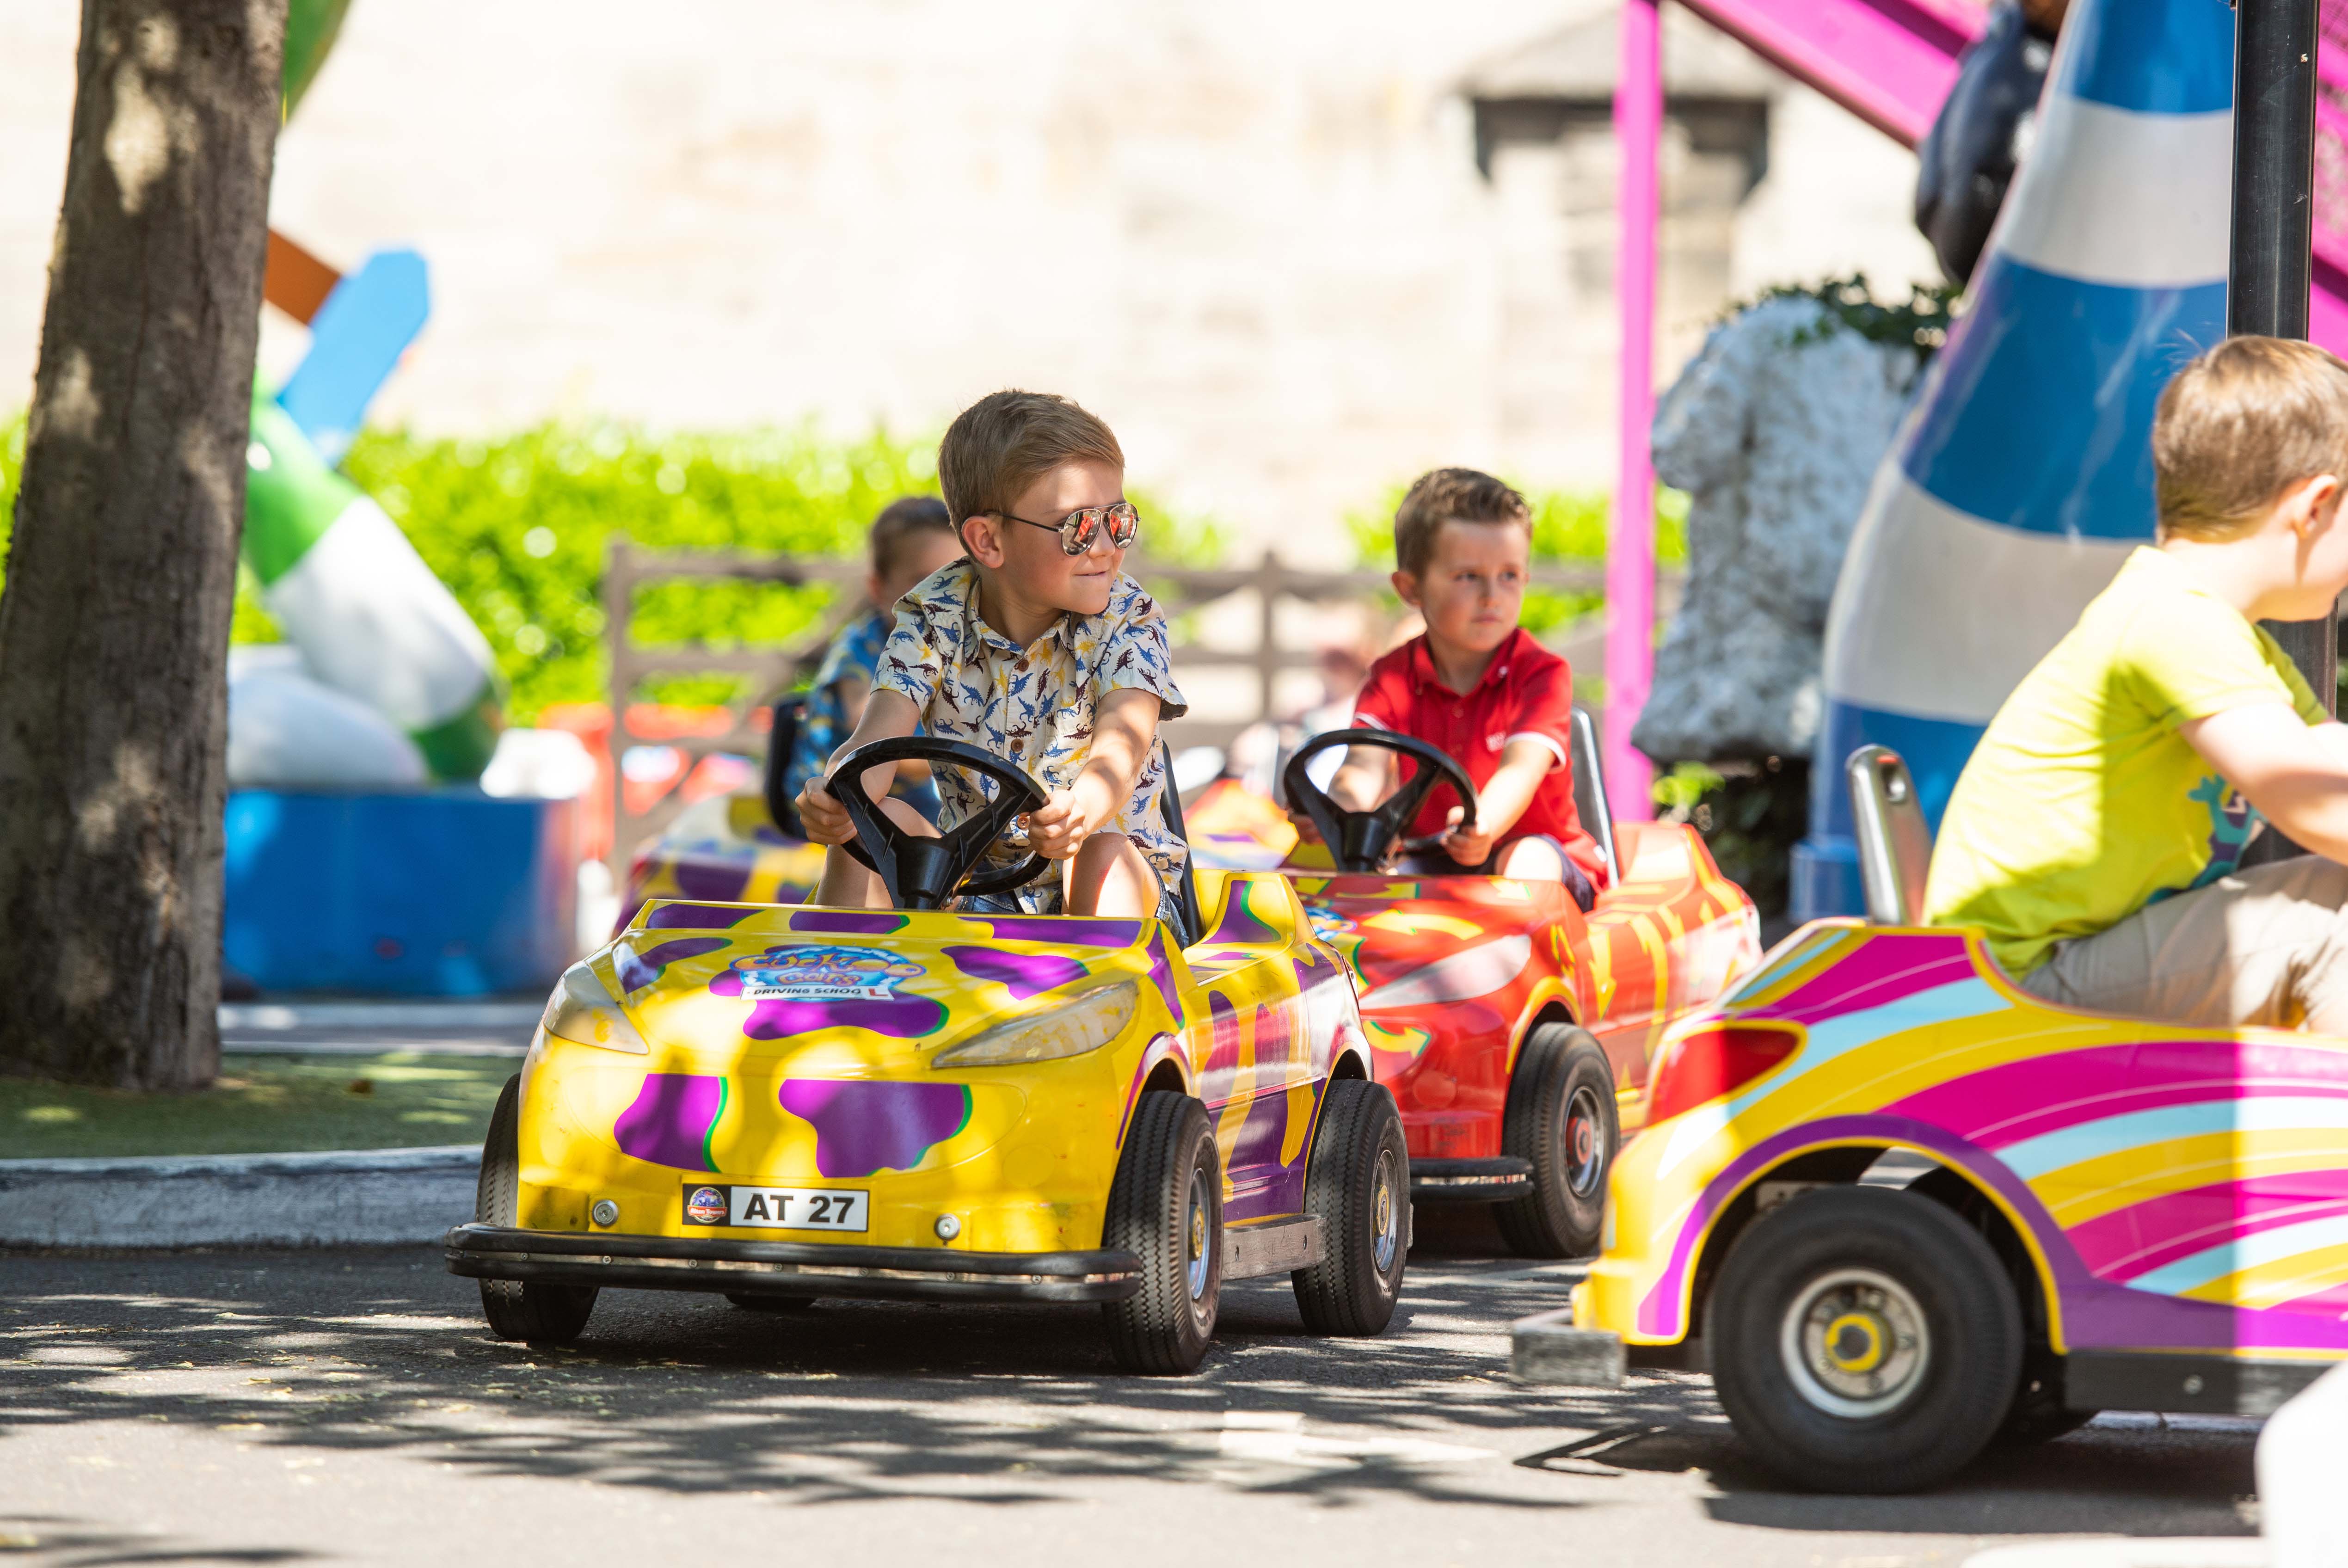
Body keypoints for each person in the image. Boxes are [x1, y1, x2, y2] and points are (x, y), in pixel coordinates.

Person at [1924, 335, 2348, 1032]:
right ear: (2314, 506)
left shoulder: (2213, 628)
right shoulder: (2172, 623)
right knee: (2330, 918)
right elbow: (2311, 800)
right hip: (2017, 988)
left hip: (2050, 966)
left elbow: (2324, 755)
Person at [793, 390, 1190, 919]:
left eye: (1117, 519)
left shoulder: (1129, 619)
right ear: (988, 541)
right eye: (1078, 527)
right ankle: (841, 984)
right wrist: (836, 798)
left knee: (1098, 853)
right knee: (871, 824)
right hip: (977, 889)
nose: (1104, 546)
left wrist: (1084, 807)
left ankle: (1108, 996)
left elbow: (1122, 745)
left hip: (1124, 895)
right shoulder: (934, 617)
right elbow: (876, 738)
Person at [1293, 467, 1608, 911]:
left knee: (1527, 861)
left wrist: (1483, 824)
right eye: (1467, 576)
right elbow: (1363, 767)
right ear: (1411, 588)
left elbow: (1521, 769)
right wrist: (1335, 812)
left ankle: (1518, 969)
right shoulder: (1392, 677)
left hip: (1529, 851)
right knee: (1322, 864)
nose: (1491, 596)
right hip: (1430, 858)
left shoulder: (1542, 674)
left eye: (1509, 575)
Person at [779, 495, 965, 825]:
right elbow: (873, 739)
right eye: (924, 583)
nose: (942, 601)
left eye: (956, 583)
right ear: (879, 589)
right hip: (829, 807)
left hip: (912, 802)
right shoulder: (859, 649)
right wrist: (961, 762)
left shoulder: (956, 648)